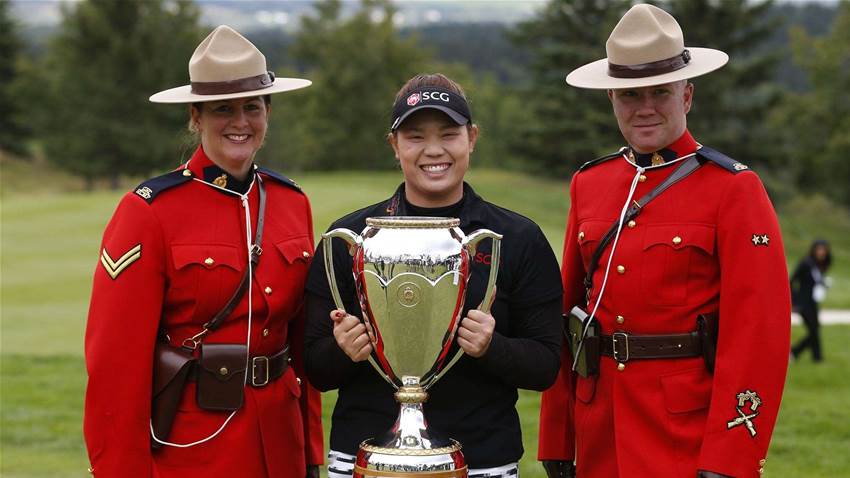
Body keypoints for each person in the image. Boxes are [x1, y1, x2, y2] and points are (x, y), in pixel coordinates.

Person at [537, 5, 791, 478]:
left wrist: (730, 454)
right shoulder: (589, 183)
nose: (646, 106)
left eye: (661, 91)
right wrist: (558, 435)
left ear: (687, 95)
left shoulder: (733, 188)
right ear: (612, 98)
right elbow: (567, 319)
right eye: (631, 94)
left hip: (685, 434)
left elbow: (759, 335)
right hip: (600, 429)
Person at [83, 25, 323, 477]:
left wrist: (310, 450)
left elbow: (300, 347)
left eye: (253, 106)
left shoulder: (292, 203)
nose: (240, 122)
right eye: (222, 109)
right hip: (194, 446)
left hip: (281, 441)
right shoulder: (148, 211)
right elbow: (116, 366)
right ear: (195, 116)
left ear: (268, 111)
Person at [304, 73, 563, 478]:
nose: (433, 150)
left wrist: (491, 346)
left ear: (472, 138)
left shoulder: (515, 239)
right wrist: (343, 349)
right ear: (394, 145)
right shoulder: (350, 238)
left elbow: (546, 365)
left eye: (448, 134)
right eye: (415, 137)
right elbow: (315, 370)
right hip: (366, 458)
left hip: (483, 459)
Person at [790, 239, 832, 362]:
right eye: (819, 249)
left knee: (815, 329)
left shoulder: (820, 264)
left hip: (813, 302)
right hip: (803, 303)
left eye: (823, 250)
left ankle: (817, 358)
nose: (821, 252)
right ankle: (795, 352)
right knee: (814, 330)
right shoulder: (805, 263)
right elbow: (791, 281)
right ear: (814, 250)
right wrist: (794, 301)